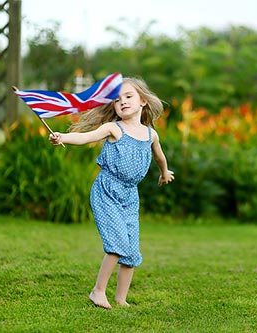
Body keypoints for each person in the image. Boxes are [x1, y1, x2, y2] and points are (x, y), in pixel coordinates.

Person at [49, 77, 175, 309]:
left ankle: (121, 298)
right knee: (117, 245)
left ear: (143, 101)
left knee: (131, 251)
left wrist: (165, 172)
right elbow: (86, 137)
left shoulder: (150, 135)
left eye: (128, 97)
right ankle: (98, 291)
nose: (123, 102)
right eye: (117, 100)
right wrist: (63, 137)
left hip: (130, 195)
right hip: (107, 190)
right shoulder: (113, 128)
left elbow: (159, 157)